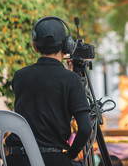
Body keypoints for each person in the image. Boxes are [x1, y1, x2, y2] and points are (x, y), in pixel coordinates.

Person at [5, 16, 92, 166]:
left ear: (35, 46)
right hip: (51, 160)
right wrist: (70, 155)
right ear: (67, 46)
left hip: (16, 161)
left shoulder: (19, 77)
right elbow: (85, 129)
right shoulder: (71, 80)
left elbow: (40, 109)